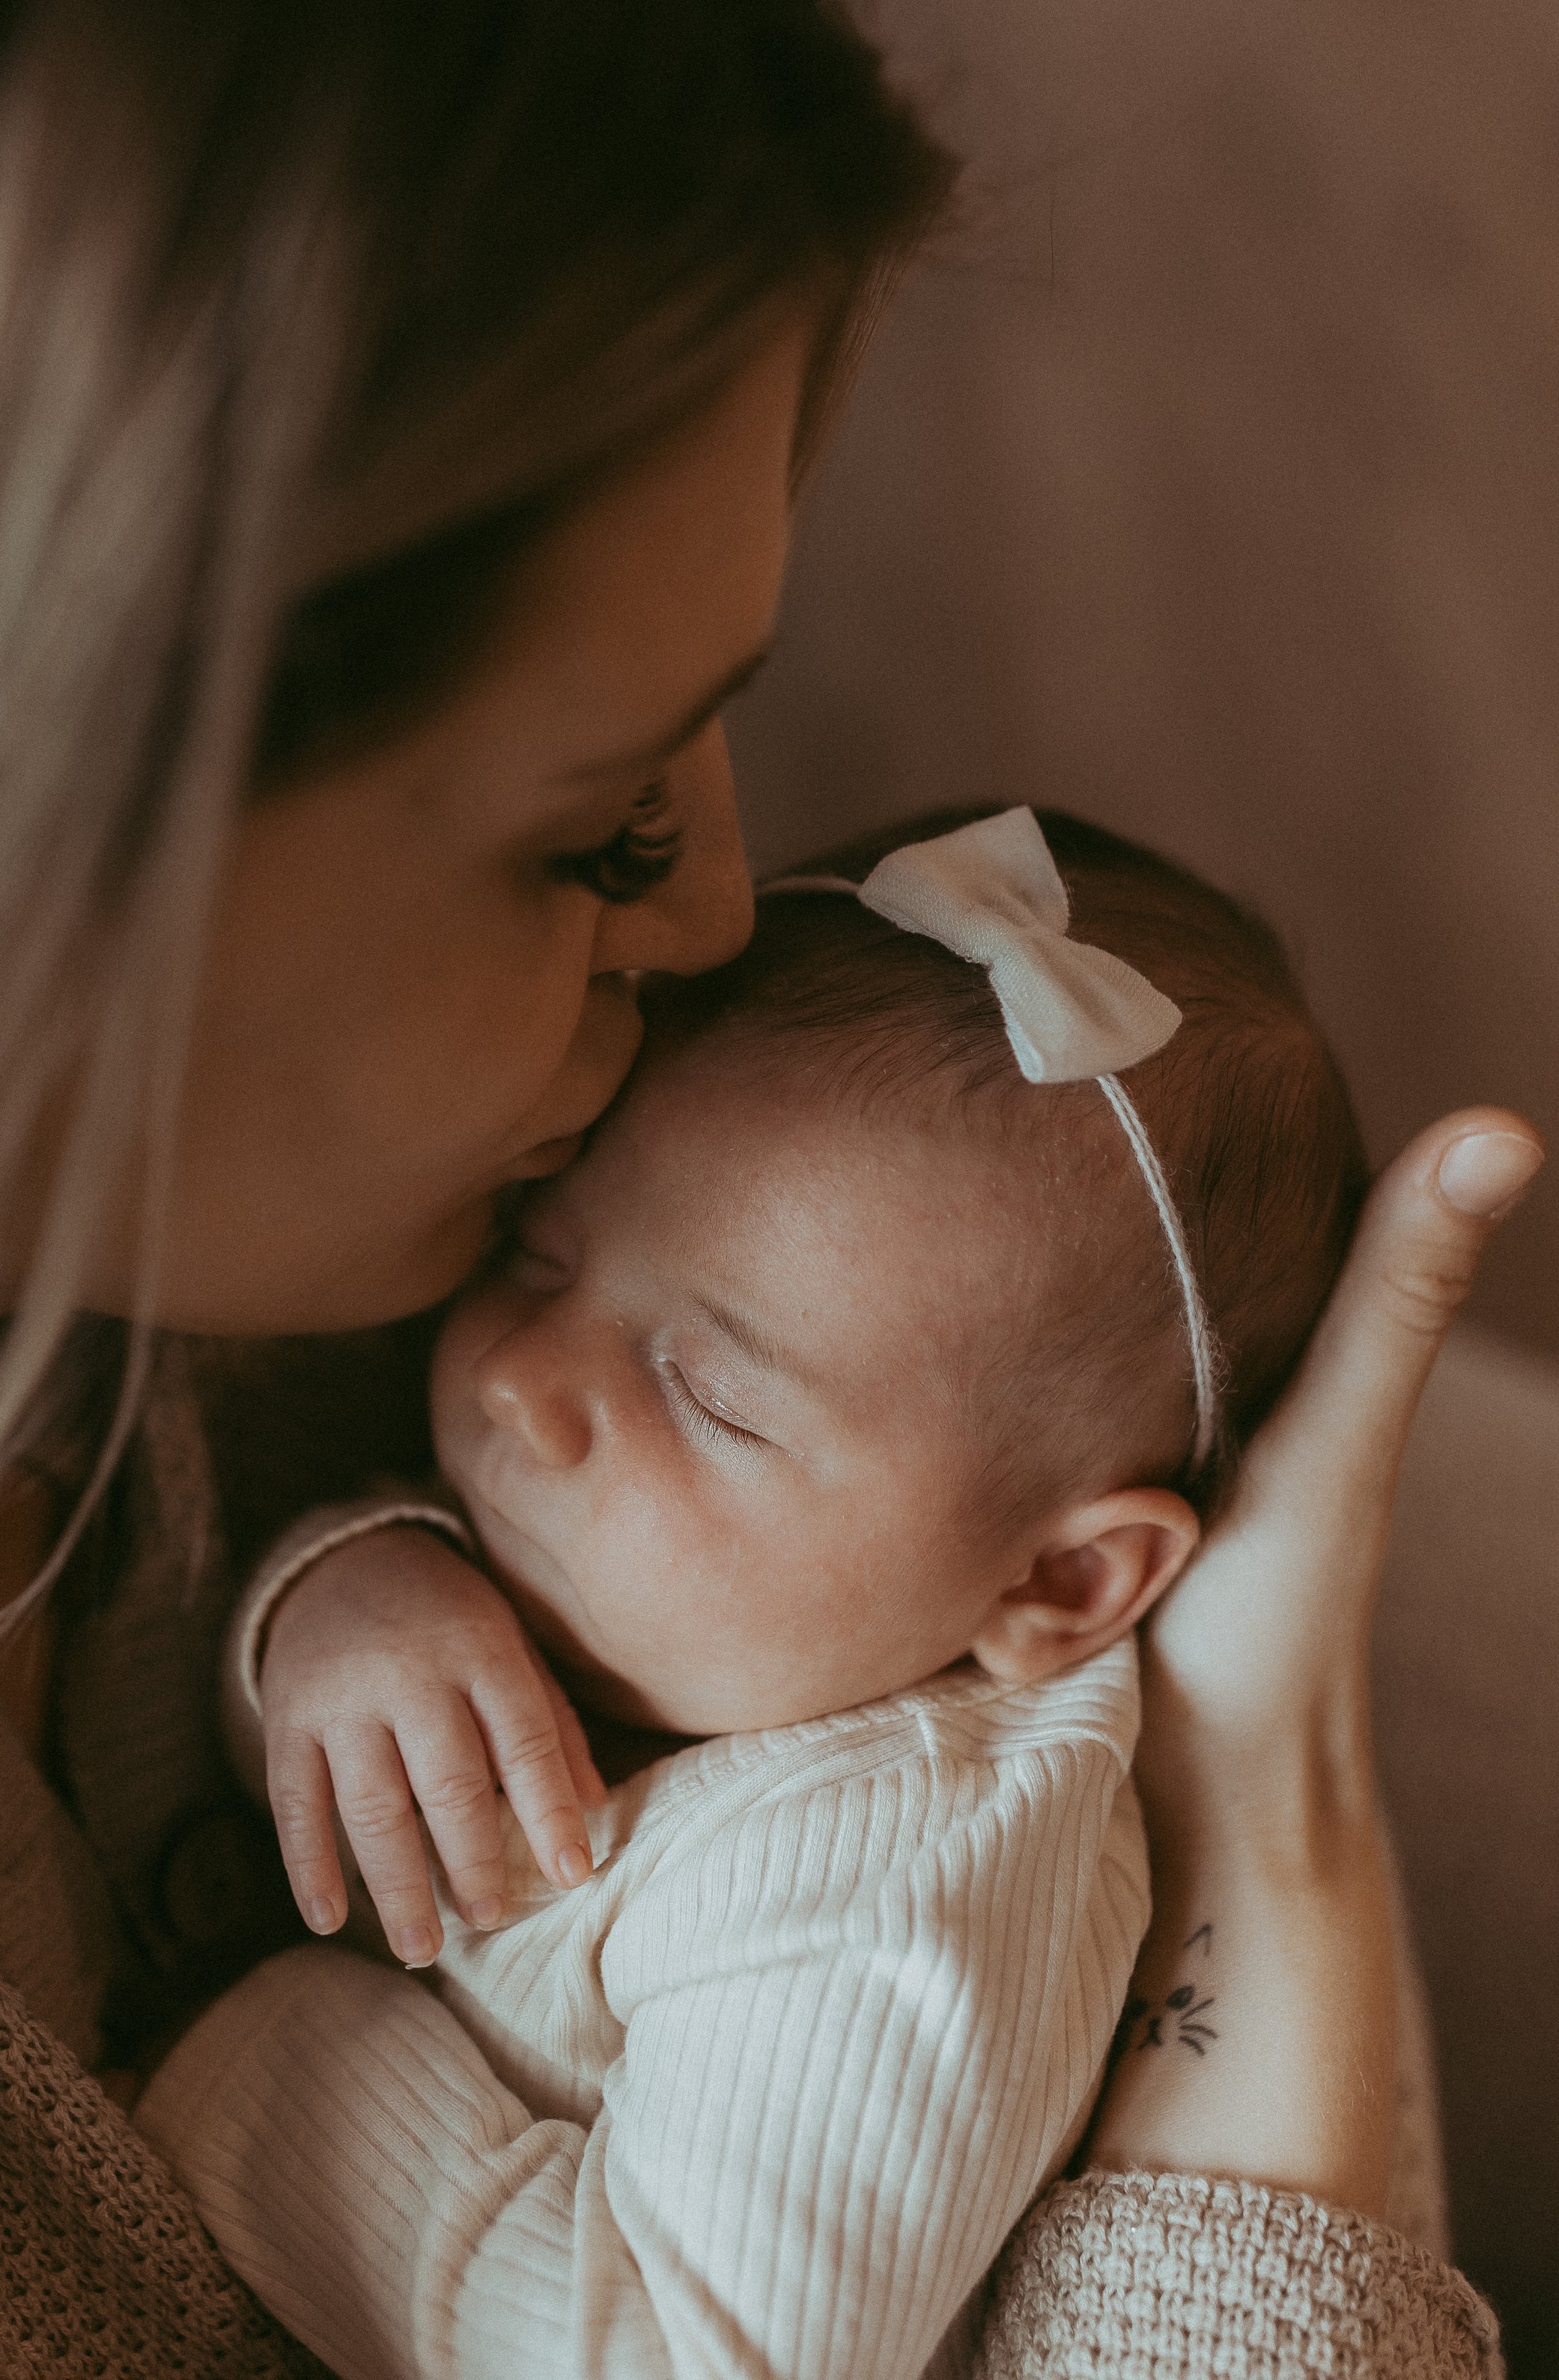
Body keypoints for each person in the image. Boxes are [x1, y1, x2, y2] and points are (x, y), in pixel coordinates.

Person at [0, 0, 1536, 2374]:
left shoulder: (233, 1246)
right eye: (598, 826)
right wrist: (1276, 1999)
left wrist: (373, 1572)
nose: (714, 935)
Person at [131, 804, 1374, 2379]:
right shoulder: (692, 1602)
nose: (527, 1387)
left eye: (709, 1395)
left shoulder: (886, 1894)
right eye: (538, 1247)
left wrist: (258, 2062)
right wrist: (345, 1596)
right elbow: (368, 1806)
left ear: (1056, 1581)